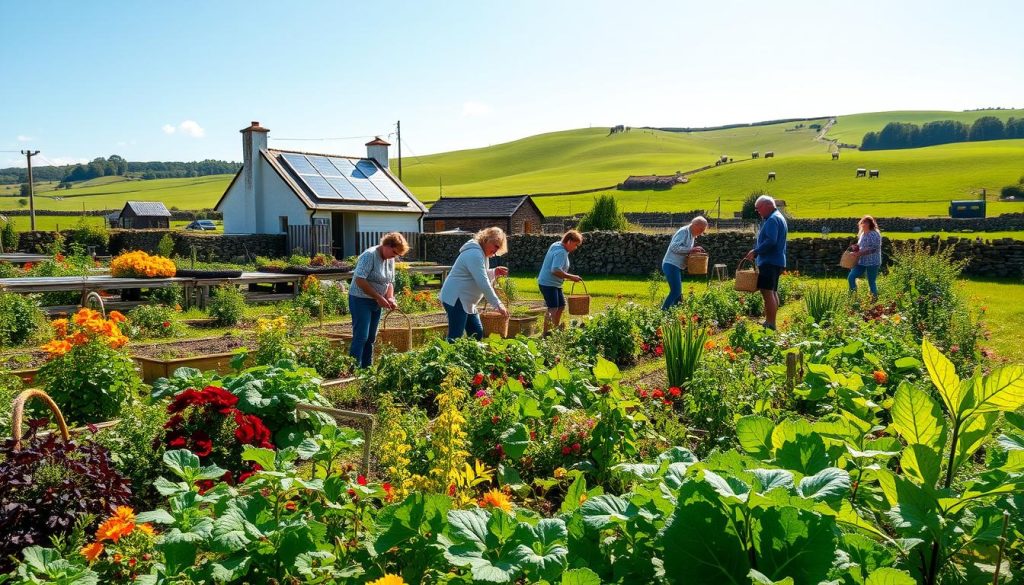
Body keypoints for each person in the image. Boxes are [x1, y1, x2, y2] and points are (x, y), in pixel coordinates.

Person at [348, 232, 408, 368]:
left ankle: (367, 368)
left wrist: (390, 297)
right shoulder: (369, 255)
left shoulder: (390, 259)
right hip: (361, 300)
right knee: (361, 336)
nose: (395, 257)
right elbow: (359, 279)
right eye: (394, 253)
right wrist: (379, 297)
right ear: (386, 245)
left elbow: (389, 282)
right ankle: (352, 370)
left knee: (371, 337)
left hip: (377, 301)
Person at [439, 226, 509, 341]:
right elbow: (483, 282)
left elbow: (478, 274)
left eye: (498, 248)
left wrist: (494, 272)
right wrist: (498, 304)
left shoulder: (481, 253)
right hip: (456, 298)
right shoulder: (474, 254)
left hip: (466, 301)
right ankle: (446, 358)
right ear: (487, 240)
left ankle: (469, 358)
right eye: (495, 246)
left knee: (476, 333)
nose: (496, 251)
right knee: (455, 337)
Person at [744, 195, 788, 330]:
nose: (757, 211)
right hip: (777, 260)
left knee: (767, 292)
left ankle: (770, 324)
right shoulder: (779, 217)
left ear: (767, 205)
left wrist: (756, 251)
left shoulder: (772, 220)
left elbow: (770, 241)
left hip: (769, 261)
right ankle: (771, 321)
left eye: (758, 208)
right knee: (772, 291)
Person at [537, 230, 584, 334]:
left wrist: (566, 277)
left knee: (561, 306)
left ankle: (555, 329)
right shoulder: (561, 252)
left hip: (554, 284)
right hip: (548, 284)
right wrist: (571, 277)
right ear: (569, 241)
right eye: (575, 245)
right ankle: (546, 334)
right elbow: (555, 270)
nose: (575, 248)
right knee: (553, 308)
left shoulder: (557, 244)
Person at [661, 216, 708, 310]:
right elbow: (674, 247)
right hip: (671, 264)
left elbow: (685, 250)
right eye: (701, 229)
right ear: (695, 225)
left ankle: (677, 313)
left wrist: (694, 251)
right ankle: (663, 312)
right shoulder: (684, 232)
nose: (702, 232)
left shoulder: (691, 234)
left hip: (675, 266)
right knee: (675, 292)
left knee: (678, 293)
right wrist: (691, 249)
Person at [848, 215, 882, 297]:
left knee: (871, 282)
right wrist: (855, 248)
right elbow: (861, 246)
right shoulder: (862, 234)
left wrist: (860, 253)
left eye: (865, 222)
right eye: (862, 222)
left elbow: (874, 249)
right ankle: (854, 297)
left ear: (870, 224)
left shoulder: (874, 234)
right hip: (861, 261)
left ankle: (874, 300)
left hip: (873, 262)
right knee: (851, 277)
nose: (863, 224)